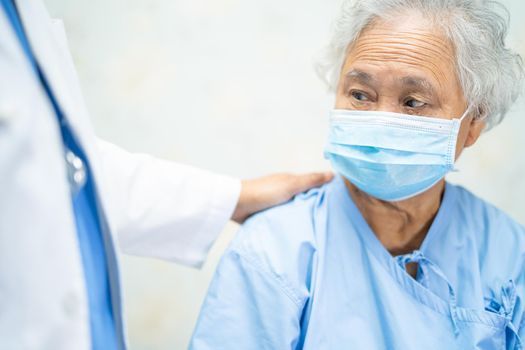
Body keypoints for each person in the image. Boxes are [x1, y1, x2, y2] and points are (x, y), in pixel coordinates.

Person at [190, 0, 525, 349]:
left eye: (413, 102)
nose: (380, 120)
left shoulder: (509, 253)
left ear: (472, 124)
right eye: (361, 95)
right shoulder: (274, 249)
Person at [0, 0, 333, 349]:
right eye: (359, 94)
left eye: (401, 102)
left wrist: (235, 197)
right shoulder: (273, 249)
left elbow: (60, 162)